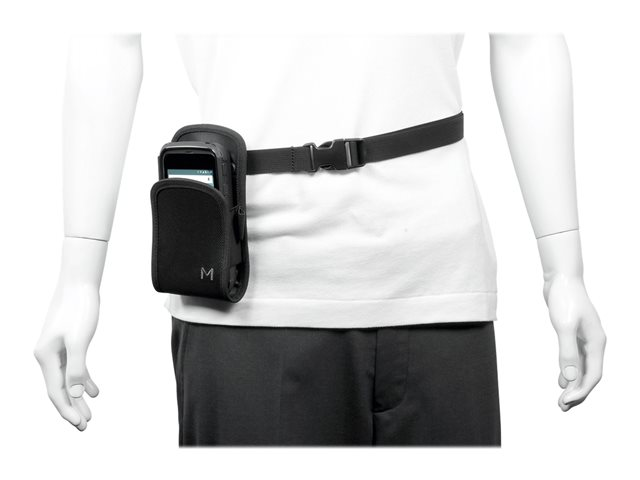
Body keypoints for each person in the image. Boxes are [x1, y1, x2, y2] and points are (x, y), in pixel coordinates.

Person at [34, 33, 606, 446]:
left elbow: (527, 38)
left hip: (440, 287)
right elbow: (104, 40)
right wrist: (79, 275)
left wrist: (564, 270)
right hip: (246, 300)